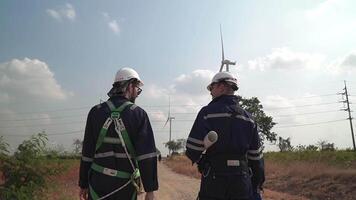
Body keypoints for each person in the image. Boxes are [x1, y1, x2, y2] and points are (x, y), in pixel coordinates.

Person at [79, 67, 158, 200]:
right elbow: (147, 156)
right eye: (137, 89)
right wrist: (150, 190)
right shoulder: (138, 114)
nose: (137, 94)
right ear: (130, 86)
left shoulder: (95, 112)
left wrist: (83, 184)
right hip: (125, 187)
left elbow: (87, 152)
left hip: (98, 184)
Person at [185, 71, 265, 200]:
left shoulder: (207, 113)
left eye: (211, 88)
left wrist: (202, 161)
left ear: (221, 87)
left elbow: (192, 150)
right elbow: (256, 158)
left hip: (214, 179)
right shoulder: (249, 118)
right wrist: (257, 185)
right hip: (242, 181)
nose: (210, 92)